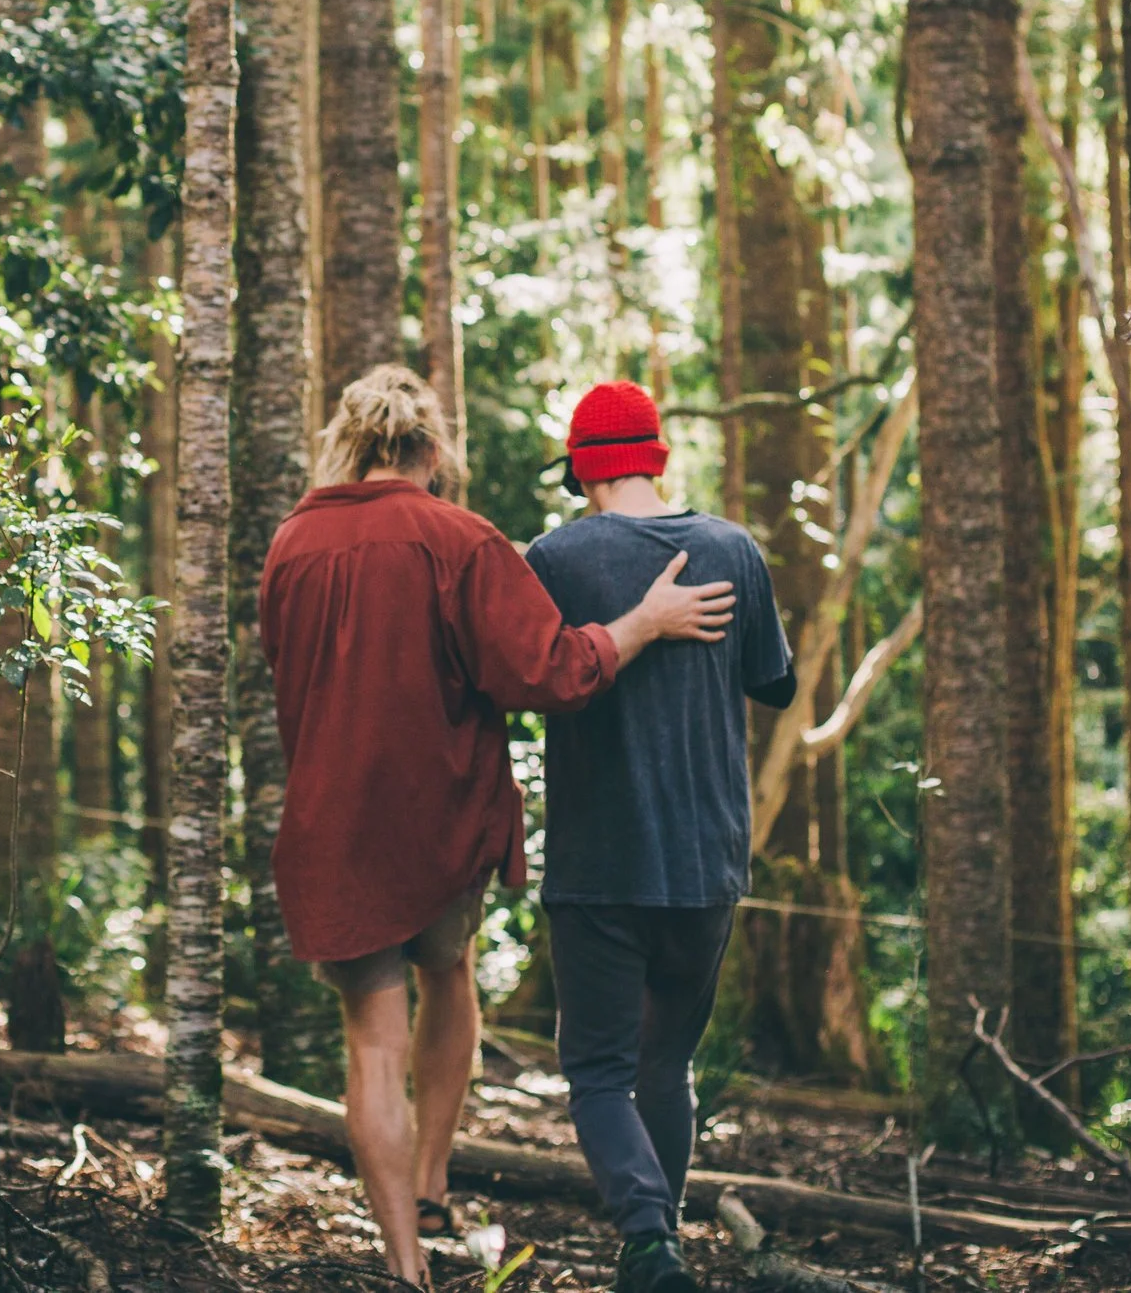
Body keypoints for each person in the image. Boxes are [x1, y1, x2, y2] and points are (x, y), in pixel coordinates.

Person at [259, 366, 738, 1289]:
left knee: (371, 1039)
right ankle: (433, 1184)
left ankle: (405, 1260)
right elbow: (550, 671)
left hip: (335, 827)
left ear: (351, 444)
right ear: (432, 449)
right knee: (450, 972)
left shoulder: (293, 543)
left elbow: (288, 670)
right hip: (442, 826)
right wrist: (641, 622)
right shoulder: (459, 537)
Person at [523, 380, 797, 1293]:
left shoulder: (554, 559)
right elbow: (777, 684)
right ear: (658, 457)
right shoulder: (731, 549)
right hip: (707, 857)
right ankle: (662, 1244)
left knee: (599, 1070)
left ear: (585, 473)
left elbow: (524, 677)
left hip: (600, 864)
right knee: (666, 1063)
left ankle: (649, 1243)